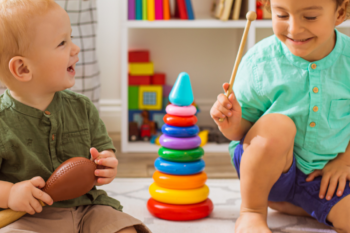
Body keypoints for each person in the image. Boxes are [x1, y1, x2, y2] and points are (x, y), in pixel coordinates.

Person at [0, 1, 150, 232]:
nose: (75, 48)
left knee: (124, 229)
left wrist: (106, 162)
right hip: (30, 217)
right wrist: (10, 194)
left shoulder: (82, 107)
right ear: (23, 69)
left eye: (70, 38)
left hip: (89, 207)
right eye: (62, 43)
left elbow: (103, 149)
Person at [210, 0, 350, 232]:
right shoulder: (259, 62)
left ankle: (298, 203)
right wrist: (230, 122)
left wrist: (344, 162)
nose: (294, 29)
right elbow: (240, 134)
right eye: (282, 15)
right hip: (267, 171)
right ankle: (252, 212)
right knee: (278, 125)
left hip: (325, 177)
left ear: (340, 13)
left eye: (310, 17)